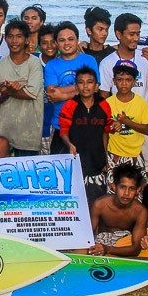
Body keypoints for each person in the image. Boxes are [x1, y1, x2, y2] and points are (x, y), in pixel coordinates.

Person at [99, 13, 148, 175]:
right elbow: (103, 98)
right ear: (119, 35)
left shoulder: (144, 58)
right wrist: (107, 125)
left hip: (146, 125)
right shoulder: (107, 63)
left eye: (138, 33)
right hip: (120, 131)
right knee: (121, 176)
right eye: (131, 34)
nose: (136, 38)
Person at [0, 20, 44, 156]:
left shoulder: (34, 63)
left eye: (19, 36)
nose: (14, 41)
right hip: (3, 133)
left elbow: (31, 93)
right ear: (5, 38)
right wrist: (8, 93)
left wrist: (6, 91)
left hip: (29, 135)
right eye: (10, 36)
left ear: (26, 40)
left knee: (27, 175)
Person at [58, 66, 112, 207]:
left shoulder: (104, 105)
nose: (85, 86)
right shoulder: (70, 105)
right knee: (76, 203)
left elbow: (105, 132)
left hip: (97, 162)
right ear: (76, 87)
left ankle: (95, 229)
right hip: (75, 162)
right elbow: (63, 131)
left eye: (90, 82)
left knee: (97, 202)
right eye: (81, 82)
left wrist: (105, 157)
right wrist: (69, 144)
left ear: (96, 87)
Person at [45, 21, 100, 154]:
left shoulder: (88, 60)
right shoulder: (52, 65)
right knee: (61, 170)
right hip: (60, 124)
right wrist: (81, 89)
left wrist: (62, 95)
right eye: (62, 40)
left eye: (71, 39)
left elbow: (95, 88)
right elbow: (52, 94)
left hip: (86, 123)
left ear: (77, 40)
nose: (66, 43)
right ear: (57, 43)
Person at [104, 61, 148, 181]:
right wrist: (104, 157)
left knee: (136, 191)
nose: (124, 83)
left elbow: (147, 130)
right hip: (113, 154)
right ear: (114, 81)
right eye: (120, 80)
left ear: (134, 82)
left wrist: (127, 122)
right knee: (113, 190)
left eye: (128, 80)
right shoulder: (107, 103)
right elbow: (104, 132)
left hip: (135, 154)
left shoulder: (140, 102)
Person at [88, 163, 148, 257]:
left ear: (138, 190)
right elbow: (87, 236)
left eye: (132, 189)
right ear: (114, 187)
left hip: (123, 248)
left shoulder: (140, 211)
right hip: (100, 245)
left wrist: (108, 249)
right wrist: (99, 247)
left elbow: (136, 248)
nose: (126, 193)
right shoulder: (100, 204)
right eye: (122, 187)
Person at [38, 23, 58, 154]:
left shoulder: (63, 63)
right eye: (45, 43)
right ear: (39, 45)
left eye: (53, 42)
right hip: (37, 124)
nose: (49, 46)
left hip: (57, 124)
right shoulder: (32, 62)